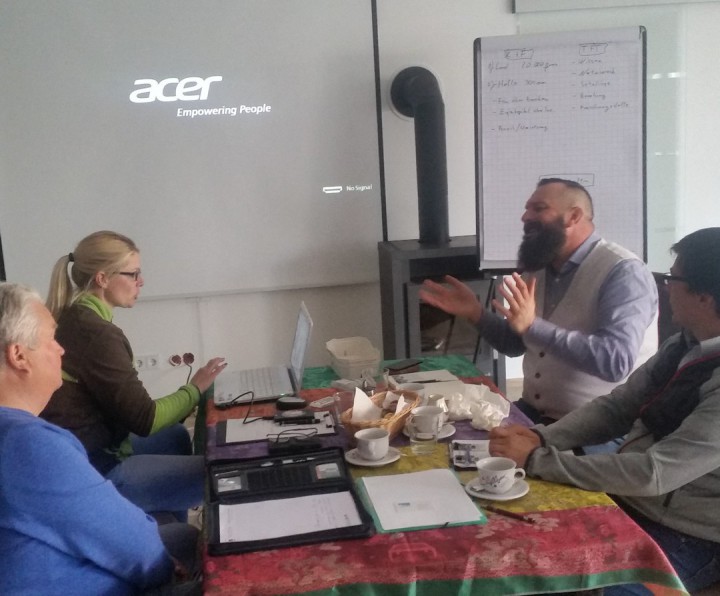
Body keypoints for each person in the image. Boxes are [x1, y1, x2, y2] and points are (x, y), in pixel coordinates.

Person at [488, 227, 720, 594]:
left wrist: (535, 459)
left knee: (596, 589)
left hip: (688, 534)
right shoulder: (685, 345)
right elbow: (619, 406)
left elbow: (653, 473)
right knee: (519, 547)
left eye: (673, 278)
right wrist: (540, 438)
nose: (665, 287)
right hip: (635, 502)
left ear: (704, 297)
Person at [0, 282, 201, 595]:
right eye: (51, 339)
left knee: (182, 537)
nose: (61, 350)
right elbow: (131, 544)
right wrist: (166, 571)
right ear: (19, 355)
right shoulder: (25, 444)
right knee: (198, 548)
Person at [419, 178, 658, 425]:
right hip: (535, 413)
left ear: (573, 217)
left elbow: (615, 362)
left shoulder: (623, 273)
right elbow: (515, 344)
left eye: (539, 208)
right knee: (453, 432)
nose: (525, 217)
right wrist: (476, 313)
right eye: (527, 209)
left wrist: (533, 326)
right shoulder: (540, 267)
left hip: (600, 426)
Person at [41, 231, 227, 521]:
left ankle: (161, 529)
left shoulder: (75, 315)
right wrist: (195, 389)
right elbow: (145, 419)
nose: (141, 282)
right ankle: (159, 530)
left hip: (89, 451)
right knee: (218, 475)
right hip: (97, 472)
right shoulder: (97, 335)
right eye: (133, 274)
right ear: (103, 279)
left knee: (176, 436)